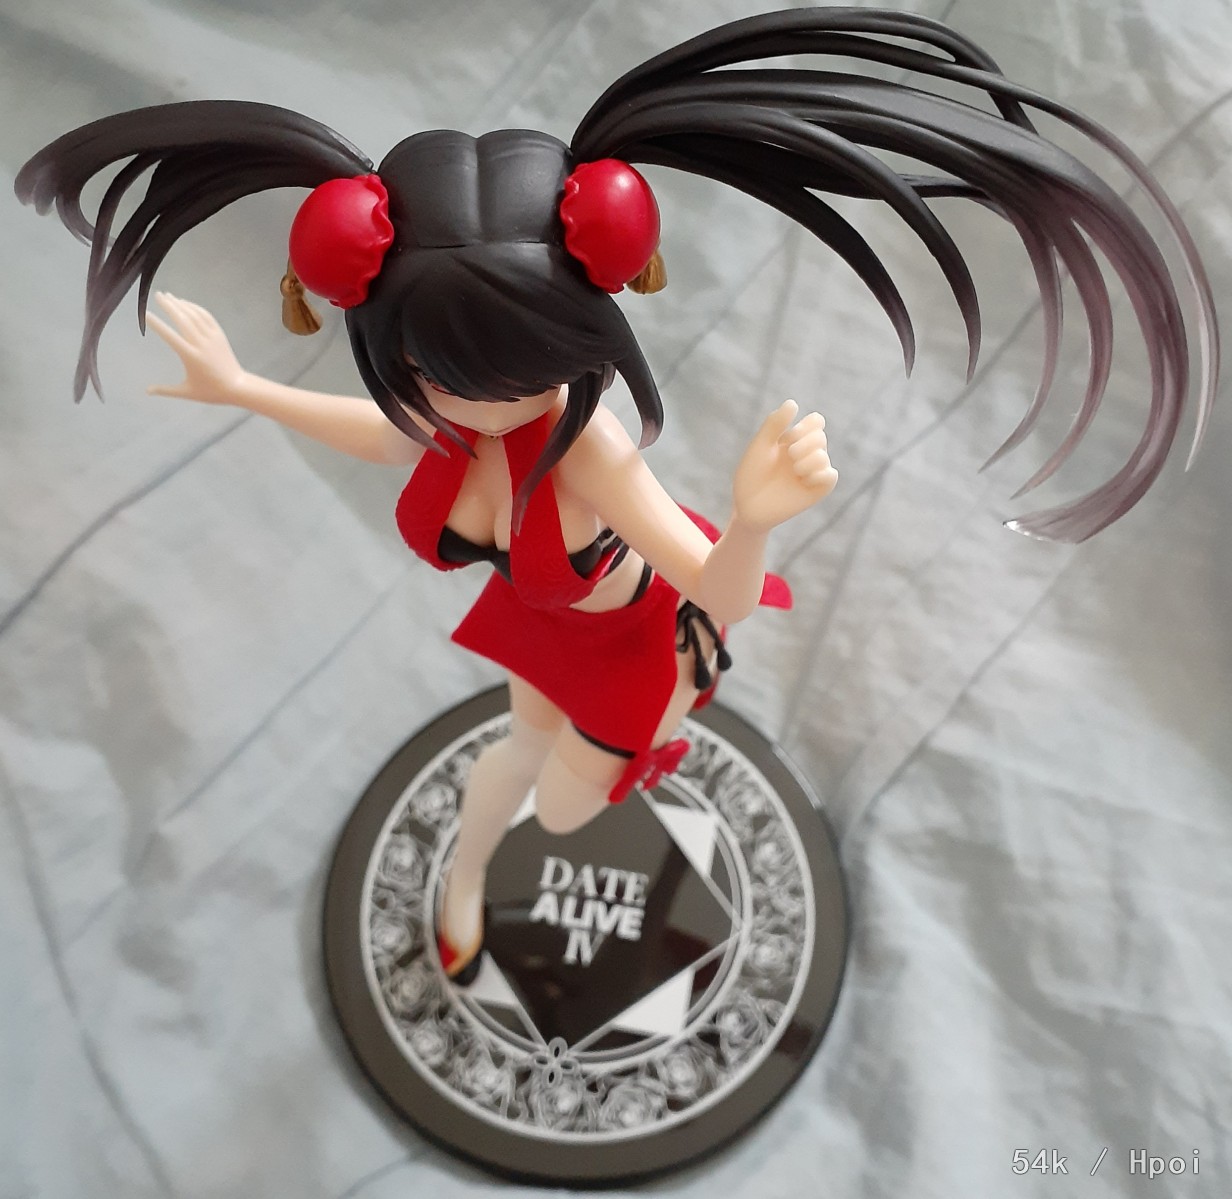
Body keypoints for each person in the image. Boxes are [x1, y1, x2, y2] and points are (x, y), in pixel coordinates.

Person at [16, 9, 1216, 982]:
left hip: (633, 644)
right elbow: (377, 431)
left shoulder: (585, 453)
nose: (478, 402)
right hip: (542, 628)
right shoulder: (442, 420)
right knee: (506, 761)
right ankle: (461, 885)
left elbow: (712, 590)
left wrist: (751, 517)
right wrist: (241, 388)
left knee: (560, 813)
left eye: (515, 368)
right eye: (440, 373)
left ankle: (641, 759)